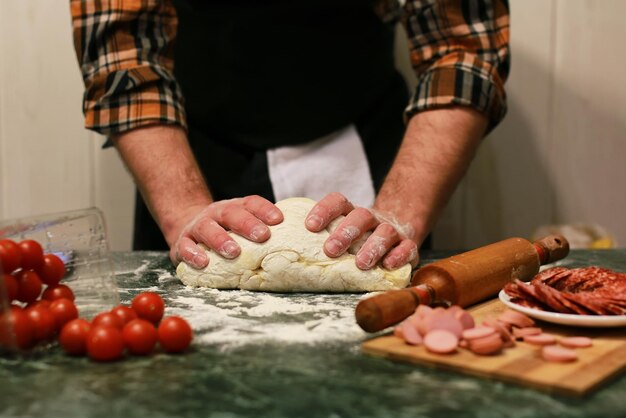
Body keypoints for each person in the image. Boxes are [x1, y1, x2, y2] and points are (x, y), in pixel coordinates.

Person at [70, 0, 510, 272]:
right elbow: (122, 55)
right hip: (193, 155)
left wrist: (400, 213)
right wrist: (183, 209)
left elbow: (463, 48)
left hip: (365, 149)